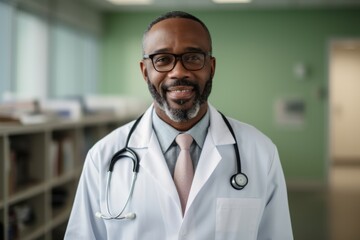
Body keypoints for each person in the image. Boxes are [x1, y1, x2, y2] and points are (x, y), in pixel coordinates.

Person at [64, 11, 293, 239]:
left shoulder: (261, 152)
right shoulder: (102, 156)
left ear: (211, 68)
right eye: (162, 59)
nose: (179, 72)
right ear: (145, 72)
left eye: (193, 58)